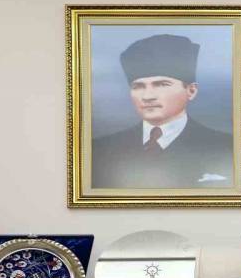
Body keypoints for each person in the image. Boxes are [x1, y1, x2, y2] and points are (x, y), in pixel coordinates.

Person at [91, 34, 233, 189]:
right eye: (138, 86)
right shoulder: (99, 150)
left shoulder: (227, 147)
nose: (147, 96)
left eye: (161, 84)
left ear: (191, 91)